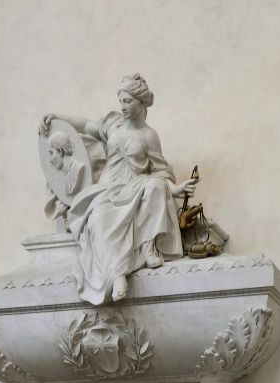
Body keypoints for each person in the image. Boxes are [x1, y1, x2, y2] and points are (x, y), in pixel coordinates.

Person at [39, 73, 198, 304]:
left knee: (155, 185)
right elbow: (85, 125)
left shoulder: (149, 136)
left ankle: (147, 248)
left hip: (135, 188)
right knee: (98, 220)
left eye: (127, 101)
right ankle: (118, 274)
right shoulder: (113, 125)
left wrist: (174, 189)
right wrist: (57, 118)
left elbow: (160, 171)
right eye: (120, 101)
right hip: (107, 191)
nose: (122, 106)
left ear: (141, 103)